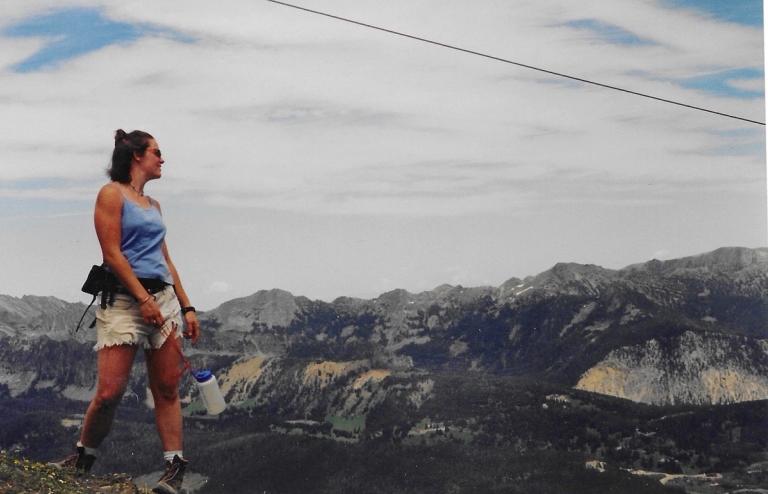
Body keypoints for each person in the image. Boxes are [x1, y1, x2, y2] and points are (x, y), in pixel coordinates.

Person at [50, 129, 200, 494]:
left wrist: (187, 304)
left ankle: (174, 467)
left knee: (166, 387)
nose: (162, 159)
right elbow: (112, 254)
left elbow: (165, 259)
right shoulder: (111, 194)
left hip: (162, 299)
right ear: (137, 156)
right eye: (157, 152)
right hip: (123, 302)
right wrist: (143, 301)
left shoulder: (154, 206)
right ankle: (82, 457)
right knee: (109, 393)